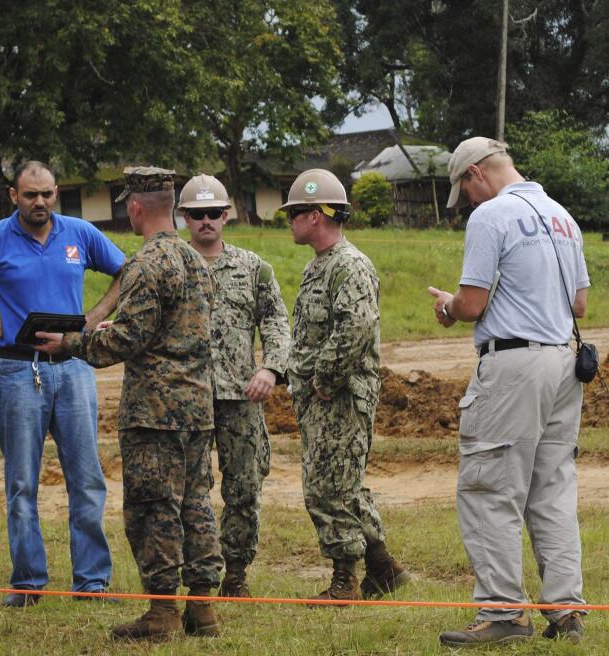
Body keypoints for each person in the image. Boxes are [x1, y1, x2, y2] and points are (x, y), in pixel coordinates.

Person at [35, 167, 223, 641]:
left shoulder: (147, 265)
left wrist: (71, 343)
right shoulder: (197, 261)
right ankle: (203, 610)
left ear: (137, 207)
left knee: (153, 508)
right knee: (196, 503)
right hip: (198, 407)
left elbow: (130, 338)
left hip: (155, 412)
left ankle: (161, 612)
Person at [0, 161, 124, 605]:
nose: (41, 203)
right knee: (21, 482)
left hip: (73, 367)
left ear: (57, 194)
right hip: (18, 370)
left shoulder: (80, 233)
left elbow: (125, 273)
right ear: (14, 196)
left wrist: (91, 320)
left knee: (87, 477)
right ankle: (28, 583)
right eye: (31, 195)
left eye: (48, 194)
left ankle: (92, 581)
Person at [429, 137, 590, 647]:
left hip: (514, 366)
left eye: (466, 192)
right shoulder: (562, 214)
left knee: (488, 487)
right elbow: (580, 303)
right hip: (564, 361)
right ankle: (566, 610)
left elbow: (473, 304)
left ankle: (502, 611)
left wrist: (448, 306)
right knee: (553, 488)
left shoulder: (491, 216)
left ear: (475, 173)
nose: (470, 203)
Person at [283, 169, 409, 603]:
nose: (289, 221)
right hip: (323, 397)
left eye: (294, 213)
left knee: (327, 487)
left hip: (339, 396)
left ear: (317, 215)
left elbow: (356, 327)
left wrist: (324, 378)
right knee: (345, 483)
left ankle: (344, 580)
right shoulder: (321, 264)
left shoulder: (349, 265)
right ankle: (383, 567)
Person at [180, 174, 290, 598]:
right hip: (186, 398)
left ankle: (237, 574)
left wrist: (272, 369)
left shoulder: (253, 267)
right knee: (191, 490)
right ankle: (198, 574)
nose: (206, 221)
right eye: (197, 214)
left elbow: (278, 323)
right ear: (185, 218)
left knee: (243, 487)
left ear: (226, 215)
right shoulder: (174, 265)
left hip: (241, 397)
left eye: (213, 213)